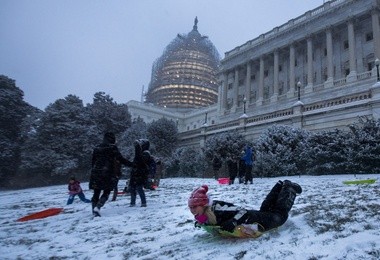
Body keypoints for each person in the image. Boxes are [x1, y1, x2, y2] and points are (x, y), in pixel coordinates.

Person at [188, 180, 302, 233]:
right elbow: (209, 221)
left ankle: (290, 188)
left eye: (194, 207)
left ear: (203, 205)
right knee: (266, 209)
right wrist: (201, 223)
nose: (192, 211)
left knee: (279, 214)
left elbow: (242, 211)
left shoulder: (218, 208)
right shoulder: (203, 213)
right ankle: (279, 186)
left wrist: (233, 221)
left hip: (254, 220)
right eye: (190, 208)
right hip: (254, 220)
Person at [89, 132, 133, 217]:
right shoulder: (112, 148)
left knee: (96, 192)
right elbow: (121, 159)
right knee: (107, 191)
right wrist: (132, 164)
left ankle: (94, 210)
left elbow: (93, 161)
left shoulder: (97, 148)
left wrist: (94, 171)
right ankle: (98, 207)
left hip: (96, 172)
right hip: (107, 173)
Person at [129, 139, 151, 207]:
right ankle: (133, 202)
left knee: (138, 188)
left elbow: (140, 160)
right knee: (133, 188)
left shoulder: (145, 153)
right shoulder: (143, 153)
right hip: (137, 173)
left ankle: (142, 202)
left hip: (140, 173)